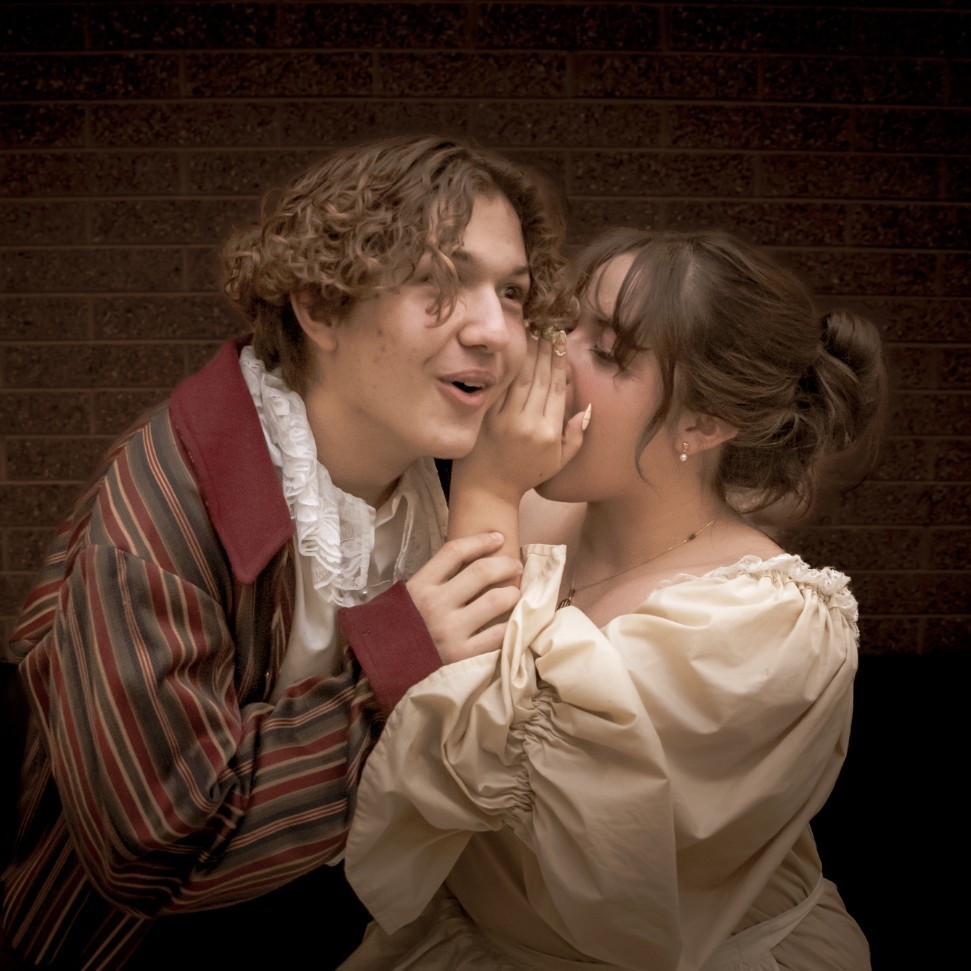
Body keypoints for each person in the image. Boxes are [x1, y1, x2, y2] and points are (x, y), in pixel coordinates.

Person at [0, 133, 575, 969]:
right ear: (321, 305)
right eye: (441, 282)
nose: (496, 332)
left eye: (512, 292)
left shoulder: (452, 473)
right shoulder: (156, 515)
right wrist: (399, 652)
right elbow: (154, 847)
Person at [338, 227, 888, 970]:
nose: (553, 356)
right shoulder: (529, 515)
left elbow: (503, 788)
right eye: (568, 325)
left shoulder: (768, 624)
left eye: (609, 353)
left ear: (702, 421)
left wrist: (486, 488)